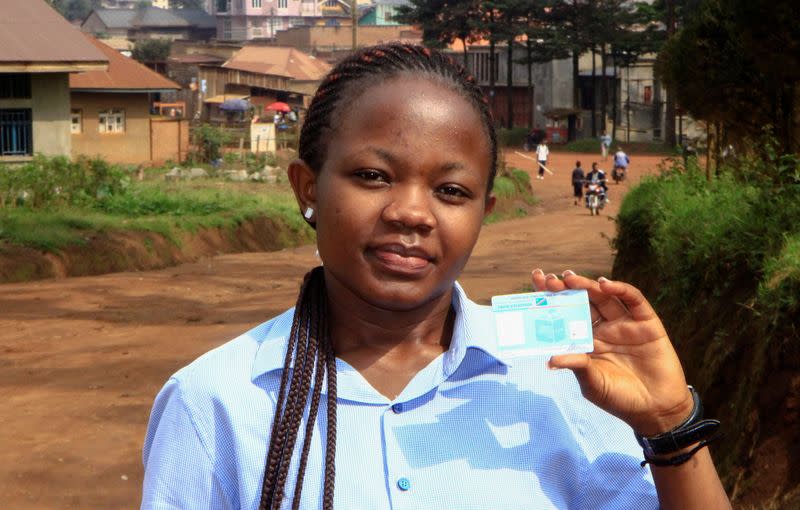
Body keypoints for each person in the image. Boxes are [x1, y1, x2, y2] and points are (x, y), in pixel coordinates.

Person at [141, 43, 731, 510]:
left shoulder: (562, 373)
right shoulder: (213, 403)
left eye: (451, 191)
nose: (412, 213)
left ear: (483, 215)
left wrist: (669, 427)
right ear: (306, 188)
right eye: (373, 176)